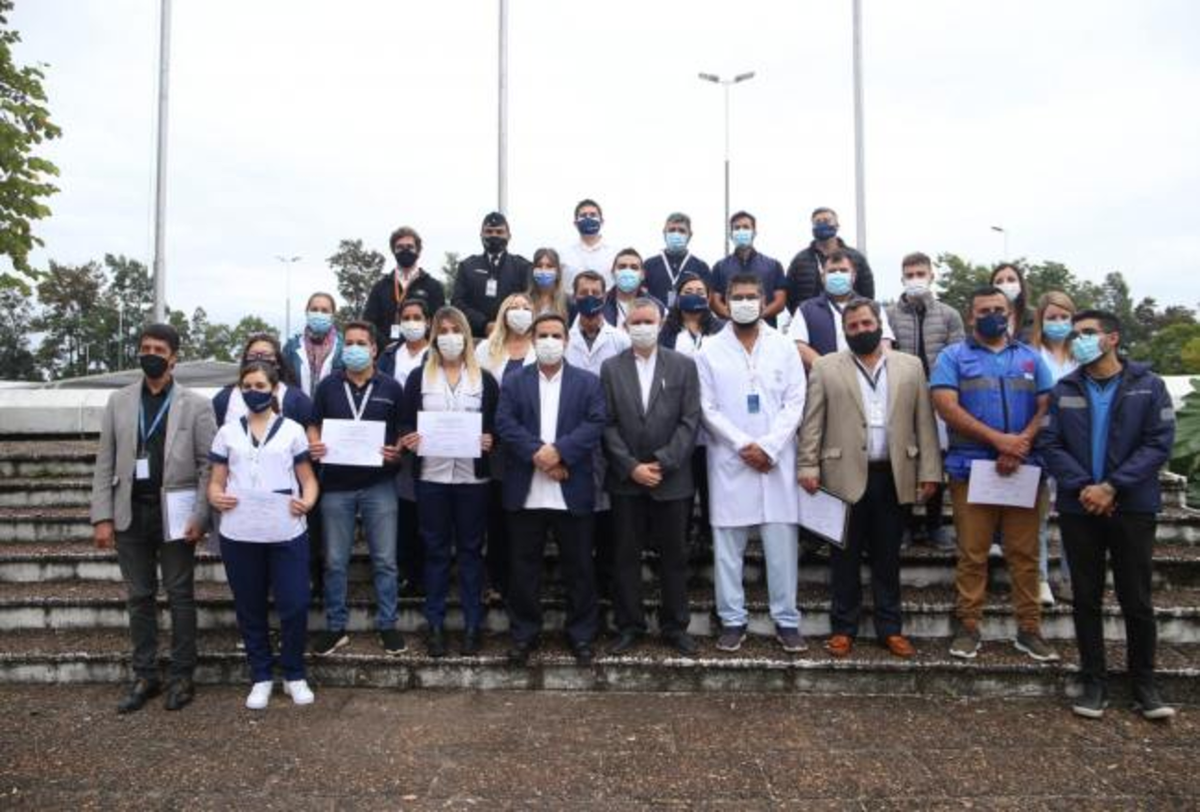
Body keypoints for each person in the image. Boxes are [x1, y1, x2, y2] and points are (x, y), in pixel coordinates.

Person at [1039, 310, 1177, 720]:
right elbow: (1050, 443)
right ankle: (1093, 681)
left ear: (1112, 338)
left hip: (1131, 505)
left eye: (1087, 332)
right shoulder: (1065, 388)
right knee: (1085, 597)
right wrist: (1086, 487)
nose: (1078, 339)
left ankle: (1144, 684)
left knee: (1137, 599)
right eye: (1075, 334)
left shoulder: (1149, 386)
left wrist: (1113, 486)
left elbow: (1158, 443)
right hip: (1080, 506)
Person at [798, 299, 942, 659]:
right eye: (853, 326)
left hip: (893, 474)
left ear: (879, 325)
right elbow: (813, 420)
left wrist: (929, 470)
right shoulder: (826, 366)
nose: (861, 330)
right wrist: (807, 465)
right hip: (842, 474)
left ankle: (890, 629)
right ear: (845, 331)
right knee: (843, 557)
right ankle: (843, 628)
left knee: (887, 557)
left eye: (866, 323)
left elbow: (924, 421)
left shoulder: (910, 366)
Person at [90, 323, 216, 713]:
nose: (151, 355)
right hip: (131, 511)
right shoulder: (119, 401)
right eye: (145, 348)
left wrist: (201, 515)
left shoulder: (196, 404)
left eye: (159, 350)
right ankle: (145, 674)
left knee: (180, 595)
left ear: (174, 357)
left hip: (176, 514)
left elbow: (208, 465)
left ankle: (182, 676)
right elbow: (105, 461)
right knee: (139, 596)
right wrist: (102, 516)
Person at [930, 286, 1059, 662]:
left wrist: (1019, 444)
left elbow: (1047, 405)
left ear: (1010, 314)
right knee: (972, 553)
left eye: (999, 309)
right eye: (984, 310)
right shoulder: (953, 357)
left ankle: (1029, 629)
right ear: (971, 316)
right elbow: (946, 406)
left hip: (1024, 468)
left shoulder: (1031, 358)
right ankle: (969, 626)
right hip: (972, 469)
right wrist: (999, 441)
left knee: (1025, 554)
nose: (992, 316)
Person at [695, 273, 807, 653]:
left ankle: (786, 620)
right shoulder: (709, 350)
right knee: (728, 548)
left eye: (751, 296)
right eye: (737, 297)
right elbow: (707, 407)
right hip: (731, 459)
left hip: (776, 460)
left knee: (782, 547)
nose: (744, 303)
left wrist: (770, 447)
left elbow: (796, 400)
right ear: (725, 302)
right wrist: (744, 444)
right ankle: (732, 619)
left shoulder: (784, 346)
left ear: (763, 301)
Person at [495, 312, 606, 665]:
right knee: (523, 568)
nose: (549, 342)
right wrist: (539, 455)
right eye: (542, 335)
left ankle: (581, 634)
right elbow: (504, 423)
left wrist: (559, 452)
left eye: (556, 335)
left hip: (571, 488)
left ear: (566, 341)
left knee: (580, 568)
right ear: (532, 339)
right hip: (526, 491)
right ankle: (524, 634)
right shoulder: (514, 381)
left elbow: (595, 423)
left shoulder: (588, 382)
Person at [207, 361, 319, 709]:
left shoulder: (293, 430)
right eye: (247, 386)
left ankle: (294, 673)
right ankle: (261, 676)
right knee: (249, 605)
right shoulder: (227, 433)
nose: (253, 392)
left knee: (295, 603)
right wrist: (215, 496)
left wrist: (307, 502)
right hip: (240, 532)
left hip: (286, 530)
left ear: (273, 389)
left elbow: (308, 479)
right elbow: (215, 481)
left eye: (260, 386)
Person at [601, 298, 702, 656]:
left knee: (673, 557)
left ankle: (675, 626)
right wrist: (631, 467)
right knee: (625, 557)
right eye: (636, 321)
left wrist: (662, 462)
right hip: (626, 481)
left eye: (649, 321)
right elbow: (607, 423)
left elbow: (690, 420)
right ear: (626, 326)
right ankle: (629, 625)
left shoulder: (683, 365)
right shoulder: (611, 368)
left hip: (671, 480)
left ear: (660, 324)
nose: (642, 327)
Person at [398, 307, 499, 657]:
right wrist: (409, 438)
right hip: (432, 477)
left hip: (473, 480)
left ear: (466, 335)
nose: (449, 336)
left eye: (456, 329)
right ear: (434, 336)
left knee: (471, 551)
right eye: (443, 330)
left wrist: (492, 439)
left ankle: (473, 625)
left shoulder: (484, 379)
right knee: (436, 552)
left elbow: (497, 424)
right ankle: (435, 624)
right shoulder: (418, 377)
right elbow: (404, 422)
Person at [306, 321, 406, 656]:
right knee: (335, 561)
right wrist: (315, 443)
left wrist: (397, 450)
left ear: (374, 349)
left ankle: (387, 625)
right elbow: (313, 424)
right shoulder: (328, 386)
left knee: (385, 560)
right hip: (336, 486)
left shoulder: (391, 387)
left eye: (361, 343)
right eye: (348, 342)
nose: (354, 348)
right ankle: (336, 627)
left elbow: (403, 430)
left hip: (380, 484)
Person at [885, 252, 965, 550]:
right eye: (910, 275)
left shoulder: (949, 314)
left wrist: (944, 390)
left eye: (920, 274)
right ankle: (905, 525)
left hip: (939, 397)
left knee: (936, 458)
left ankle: (935, 525)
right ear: (902, 278)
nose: (915, 279)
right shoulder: (889, 314)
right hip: (901, 396)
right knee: (904, 458)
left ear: (931, 276)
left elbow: (958, 356)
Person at [566, 270, 631, 604]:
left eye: (595, 292)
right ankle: (580, 587)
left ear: (605, 296)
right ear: (574, 296)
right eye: (583, 292)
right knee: (578, 517)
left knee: (610, 516)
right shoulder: (563, 339)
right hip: (573, 438)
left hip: (612, 438)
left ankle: (606, 584)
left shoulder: (620, 340)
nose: (589, 297)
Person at [475, 293, 537, 604]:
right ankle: (496, 581)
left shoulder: (542, 346)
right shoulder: (486, 349)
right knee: (497, 517)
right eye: (514, 307)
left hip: (532, 444)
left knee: (526, 520)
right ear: (503, 313)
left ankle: (523, 586)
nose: (520, 312)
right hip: (496, 446)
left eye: (526, 308)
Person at [659, 273, 725, 546]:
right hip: (678, 419)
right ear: (677, 297)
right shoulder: (667, 332)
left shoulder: (721, 330)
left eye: (700, 291)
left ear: (708, 297)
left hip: (714, 419)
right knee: (681, 484)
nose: (694, 295)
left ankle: (710, 538)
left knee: (711, 484)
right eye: (688, 291)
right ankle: (679, 541)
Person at [377, 297, 431, 596]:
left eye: (417, 317)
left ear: (428, 322)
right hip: (391, 441)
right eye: (406, 317)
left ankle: (420, 574)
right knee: (400, 512)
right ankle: (402, 572)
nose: (411, 322)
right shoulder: (388, 355)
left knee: (422, 512)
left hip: (425, 440)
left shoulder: (435, 353)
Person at [1029, 291, 1080, 607]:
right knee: (1038, 516)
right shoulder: (1032, 354)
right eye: (1052, 317)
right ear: (1041, 320)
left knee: (1075, 517)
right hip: (1042, 442)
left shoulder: (1083, 355)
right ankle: (1040, 578)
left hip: (1078, 447)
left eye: (1064, 317)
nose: (1058, 323)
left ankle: (1072, 578)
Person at [790, 250, 895, 370]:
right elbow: (798, 345)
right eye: (832, 271)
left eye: (843, 270)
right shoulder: (806, 310)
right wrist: (829, 371)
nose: (838, 275)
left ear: (853, 276)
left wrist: (867, 370)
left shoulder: (873, 307)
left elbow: (885, 343)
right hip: (824, 378)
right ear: (823, 277)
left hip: (866, 376)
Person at [452, 211, 533, 338]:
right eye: (489, 232)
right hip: (476, 337)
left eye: (499, 232)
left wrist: (503, 325)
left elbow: (529, 302)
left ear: (509, 236)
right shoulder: (467, 266)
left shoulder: (522, 267)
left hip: (511, 337)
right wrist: (484, 324)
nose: (494, 235)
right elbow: (457, 303)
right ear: (481, 235)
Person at [363, 226, 446, 345]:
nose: (405, 251)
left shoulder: (433, 286)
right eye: (400, 247)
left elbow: (439, 323)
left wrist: (420, 346)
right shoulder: (380, 287)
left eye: (410, 247)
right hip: (386, 351)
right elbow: (369, 323)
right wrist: (387, 347)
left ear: (418, 251)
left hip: (423, 351)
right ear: (393, 251)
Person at [213, 333, 314, 428]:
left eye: (266, 355)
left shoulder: (297, 399)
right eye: (253, 355)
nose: (259, 359)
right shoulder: (224, 398)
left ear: (278, 363)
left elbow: (311, 433)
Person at [785, 206, 874, 310]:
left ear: (837, 226)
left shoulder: (856, 258)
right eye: (818, 222)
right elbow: (789, 294)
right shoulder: (800, 260)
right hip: (810, 315)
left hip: (850, 314)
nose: (822, 224)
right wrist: (802, 314)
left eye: (827, 221)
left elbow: (867, 291)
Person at [709, 211, 788, 327]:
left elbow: (780, 301)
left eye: (746, 227)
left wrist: (756, 317)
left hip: (765, 330)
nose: (741, 231)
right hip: (730, 330)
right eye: (737, 228)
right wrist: (735, 318)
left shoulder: (773, 265)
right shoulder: (720, 267)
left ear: (754, 233)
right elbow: (714, 302)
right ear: (731, 234)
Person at [641, 212, 712, 308]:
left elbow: (707, 299)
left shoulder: (701, 267)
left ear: (690, 235)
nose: (676, 234)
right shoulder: (649, 265)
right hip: (657, 316)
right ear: (664, 233)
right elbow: (642, 296)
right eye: (672, 230)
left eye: (681, 231)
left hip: (689, 316)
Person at [282, 292, 344, 397]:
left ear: (332, 316)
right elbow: (284, 383)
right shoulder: (291, 347)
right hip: (299, 406)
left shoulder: (343, 347)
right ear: (307, 312)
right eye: (314, 309)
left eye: (324, 311)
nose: (319, 314)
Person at [561, 198, 617, 290]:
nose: (588, 218)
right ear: (575, 223)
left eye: (593, 215)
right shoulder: (563, 254)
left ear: (602, 221)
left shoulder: (615, 254)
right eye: (583, 215)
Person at [604, 248, 665, 328]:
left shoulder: (657, 306)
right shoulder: (601, 304)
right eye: (622, 267)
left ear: (642, 275)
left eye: (634, 267)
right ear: (613, 273)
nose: (627, 271)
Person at [990, 263, 1033, 341]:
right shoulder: (984, 318)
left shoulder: (1035, 317)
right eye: (999, 282)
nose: (1005, 284)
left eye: (1011, 280)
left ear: (1020, 285)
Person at [528, 247, 570, 318]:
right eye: (539, 266)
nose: (543, 270)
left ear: (557, 271)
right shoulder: (525, 300)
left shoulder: (568, 302)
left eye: (549, 266)